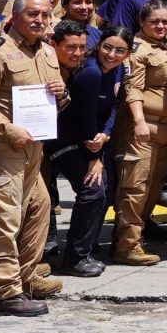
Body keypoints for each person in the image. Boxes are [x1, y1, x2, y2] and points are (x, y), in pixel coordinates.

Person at [0, 0, 66, 315]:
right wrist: (7, 130)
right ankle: (6, 293)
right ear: (15, 16)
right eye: (33, 14)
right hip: (3, 147)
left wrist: (62, 94)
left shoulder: (48, 52)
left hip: (35, 147)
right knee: (4, 218)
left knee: (39, 207)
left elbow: (56, 102)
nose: (40, 20)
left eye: (45, 15)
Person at [48, 20, 128, 277]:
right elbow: (85, 116)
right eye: (107, 47)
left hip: (94, 138)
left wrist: (105, 134)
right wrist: (95, 158)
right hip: (68, 139)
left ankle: (85, 249)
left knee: (102, 191)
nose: (112, 54)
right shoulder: (91, 72)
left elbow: (113, 107)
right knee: (92, 191)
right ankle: (75, 257)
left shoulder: (118, 70)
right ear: (99, 45)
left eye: (120, 50)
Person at [111, 4, 167, 266]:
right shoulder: (137, 49)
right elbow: (132, 88)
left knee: (153, 187)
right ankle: (126, 245)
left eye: (165, 22)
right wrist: (138, 120)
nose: (161, 27)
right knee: (135, 187)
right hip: (142, 126)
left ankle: (138, 234)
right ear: (142, 21)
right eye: (155, 22)